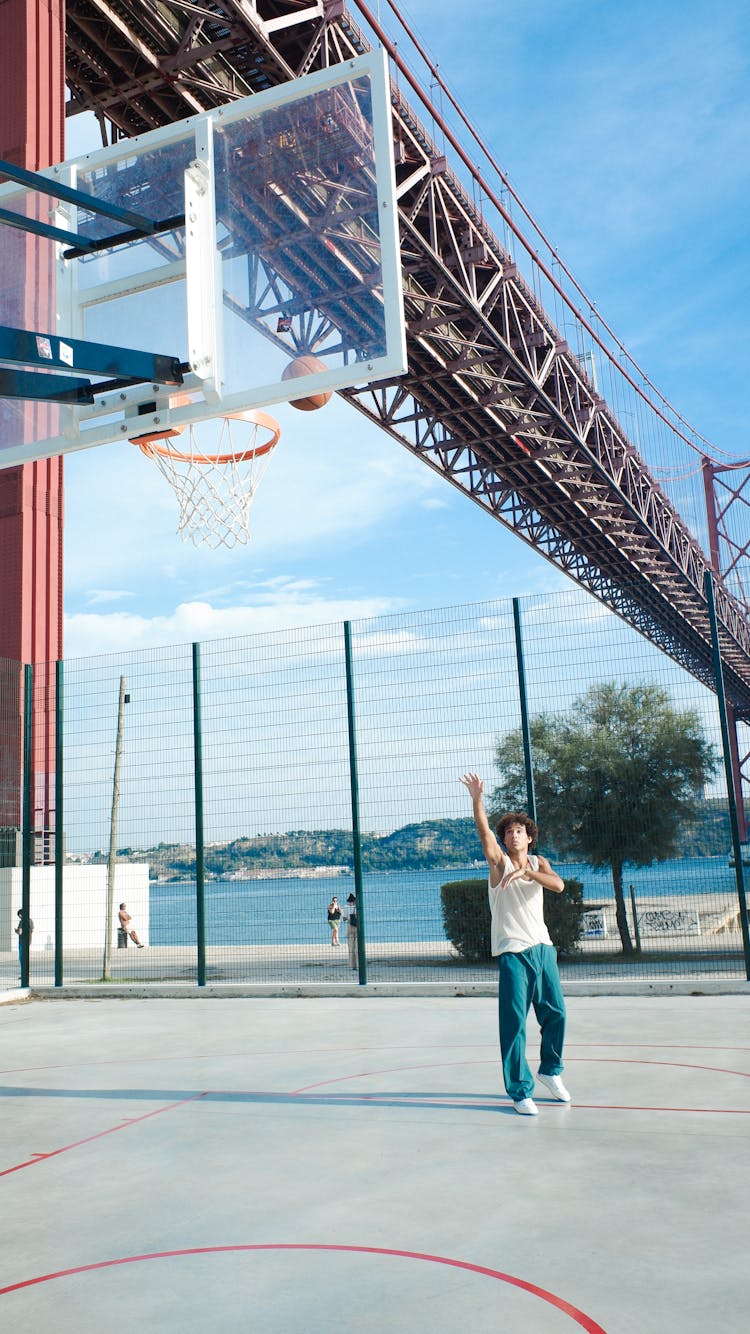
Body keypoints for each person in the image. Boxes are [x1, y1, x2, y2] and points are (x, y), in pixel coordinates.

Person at [460, 772, 570, 1116]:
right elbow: (484, 834)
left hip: (542, 948)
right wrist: (478, 800)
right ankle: (520, 1090)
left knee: (557, 1015)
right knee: (514, 1024)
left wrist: (528, 874)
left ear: (529, 838)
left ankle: (550, 1072)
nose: (512, 834)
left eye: (518, 831)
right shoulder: (499, 863)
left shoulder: (539, 863)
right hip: (512, 952)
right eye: (508, 831)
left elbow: (559, 886)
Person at [15, 908, 34, 975]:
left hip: (22, 941)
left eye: (19, 915)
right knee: (26, 957)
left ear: (20, 915)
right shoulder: (30, 920)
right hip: (28, 941)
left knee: (21, 957)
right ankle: (27, 972)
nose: (19, 917)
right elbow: (32, 930)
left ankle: (24, 972)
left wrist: (16, 931)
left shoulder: (22, 921)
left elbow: (20, 932)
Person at [345, 893, 358, 971]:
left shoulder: (346, 908)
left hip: (350, 926)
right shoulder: (357, 908)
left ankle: (351, 965)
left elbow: (344, 918)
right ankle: (358, 964)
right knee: (357, 947)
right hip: (357, 927)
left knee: (350, 947)